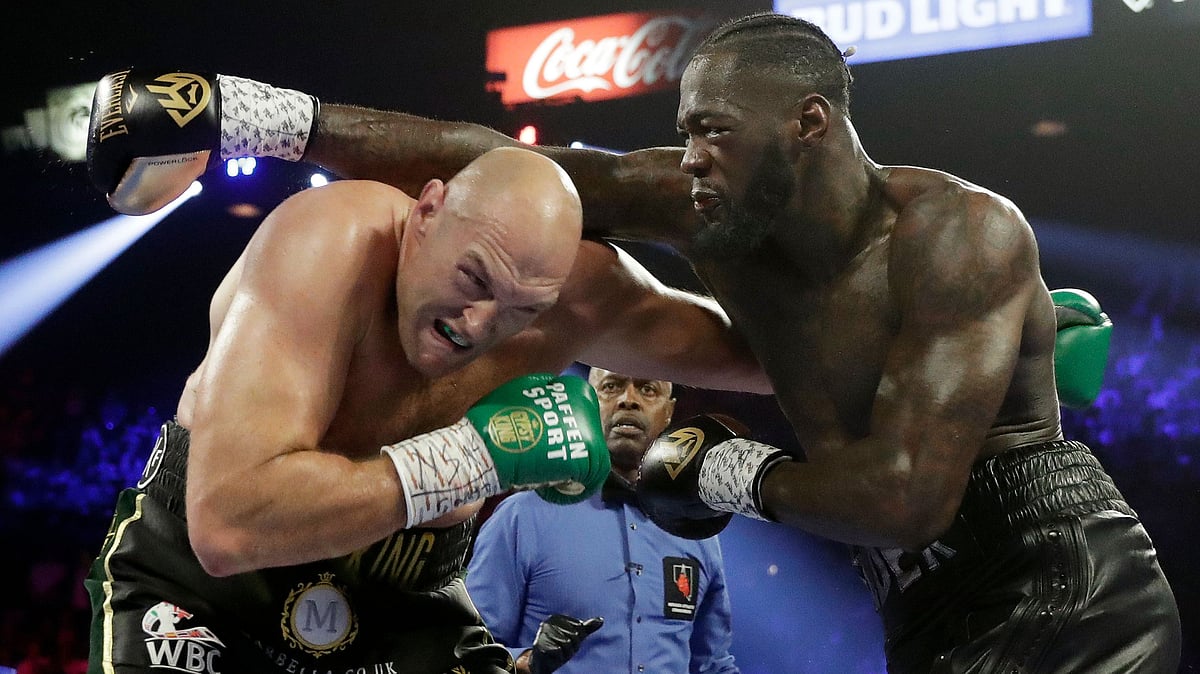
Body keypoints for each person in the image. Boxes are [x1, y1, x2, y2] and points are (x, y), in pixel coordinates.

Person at [87, 12, 1182, 670]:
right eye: (685, 130)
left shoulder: (956, 233)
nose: (688, 158)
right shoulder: (700, 206)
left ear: (807, 125)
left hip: (1044, 572)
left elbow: (895, 489)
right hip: (921, 598)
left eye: (715, 132)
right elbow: (505, 163)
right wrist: (243, 111)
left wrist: (717, 465)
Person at [81, 142, 773, 673]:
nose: (479, 323)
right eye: (473, 276)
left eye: (522, 310)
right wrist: (477, 455)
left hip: (407, 593)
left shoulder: (583, 299)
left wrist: (705, 223)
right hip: (207, 592)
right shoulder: (328, 243)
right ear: (426, 212)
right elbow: (228, 527)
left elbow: (770, 363)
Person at [466, 368, 739, 674]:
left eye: (648, 389)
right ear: (584, 405)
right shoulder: (522, 517)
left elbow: (713, 665)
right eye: (611, 386)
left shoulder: (695, 530)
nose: (628, 400)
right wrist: (527, 661)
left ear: (669, 412)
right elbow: (467, 648)